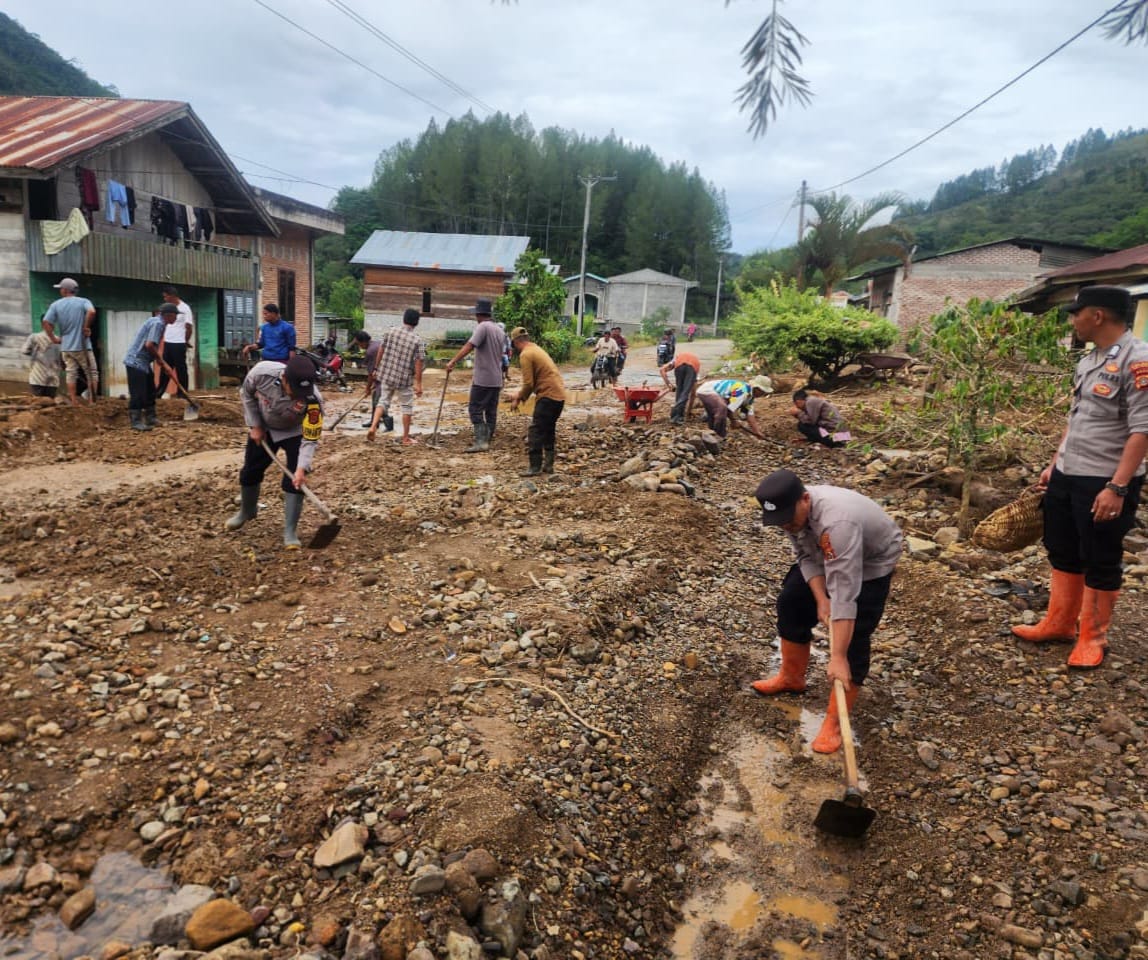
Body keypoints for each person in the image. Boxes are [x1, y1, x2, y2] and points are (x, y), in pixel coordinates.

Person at [1012, 285, 1148, 668]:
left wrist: (1117, 487)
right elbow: (1077, 419)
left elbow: (1142, 430)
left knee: (1100, 556)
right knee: (1062, 548)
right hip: (1069, 473)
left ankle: (1092, 638)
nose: (1073, 320)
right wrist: (1055, 462)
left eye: (1077, 313)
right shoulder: (1090, 360)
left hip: (1103, 479)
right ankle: (1059, 623)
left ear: (1098, 316)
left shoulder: (1138, 360)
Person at [751, 469, 903, 754]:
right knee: (792, 601)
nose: (785, 526)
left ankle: (834, 722)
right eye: (779, 521)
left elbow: (845, 593)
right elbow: (805, 555)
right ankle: (791, 678)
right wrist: (821, 598)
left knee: (855, 633)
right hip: (825, 551)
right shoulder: (791, 517)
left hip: (872, 560)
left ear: (805, 499)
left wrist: (837, 657)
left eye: (788, 519)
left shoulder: (838, 523)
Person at [226, 354, 324, 549]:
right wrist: (255, 425)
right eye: (293, 390)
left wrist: (302, 468)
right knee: (251, 470)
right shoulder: (261, 373)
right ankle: (247, 510)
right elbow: (246, 394)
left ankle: (290, 530)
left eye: (301, 393)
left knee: (294, 480)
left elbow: (311, 437)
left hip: (295, 431)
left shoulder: (314, 401)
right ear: (284, 378)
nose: (296, 396)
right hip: (265, 426)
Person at [445, 298, 505, 452]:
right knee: (491, 410)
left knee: (475, 409)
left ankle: (481, 441)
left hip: (483, 378)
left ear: (479, 314)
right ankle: (488, 437)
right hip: (497, 378)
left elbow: (469, 346)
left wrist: (453, 361)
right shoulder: (499, 329)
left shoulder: (482, 327)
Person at [507, 327, 566, 476]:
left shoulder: (526, 354)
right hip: (559, 395)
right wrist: (519, 396)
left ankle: (535, 467)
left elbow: (528, 384)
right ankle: (548, 465)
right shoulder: (536, 349)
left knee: (535, 430)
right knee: (548, 429)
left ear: (515, 342)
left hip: (548, 396)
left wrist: (518, 398)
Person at [366, 308, 425, 445]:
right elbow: (419, 362)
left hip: (387, 374)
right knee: (407, 407)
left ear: (403, 319)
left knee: (383, 401)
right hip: (403, 379)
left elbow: (381, 349)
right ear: (416, 323)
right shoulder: (417, 340)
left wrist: (376, 368)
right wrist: (419, 383)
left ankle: (373, 426)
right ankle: (405, 438)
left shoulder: (390, 331)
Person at [41, 277, 99, 405]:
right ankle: (92, 402)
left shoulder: (56, 305)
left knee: (71, 373)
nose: (60, 290)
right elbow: (91, 312)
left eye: (61, 288)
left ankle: (74, 401)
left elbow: (46, 322)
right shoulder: (83, 301)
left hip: (66, 347)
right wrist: (86, 326)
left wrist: (53, 338)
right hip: (81, 346)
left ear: (65, 290)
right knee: (91, 373)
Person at [124, 304, 177, 431]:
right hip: (136, 361)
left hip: (144, 363)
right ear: (168, 315)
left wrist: (159, 361)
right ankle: (136, 421)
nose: (176, 318)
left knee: (150, 390)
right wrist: (163, 363)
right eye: (175, 315)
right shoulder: (158, 324)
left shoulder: (156, 321)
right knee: (138, 393)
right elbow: (149, 345)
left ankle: (150, 417)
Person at [696, 375, 773, 440]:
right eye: (762, 392)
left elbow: (750, 416)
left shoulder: (750, 398)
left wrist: (756, 432)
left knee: (714, 413)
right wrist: (733, 421)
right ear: (756, 388)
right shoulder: (743, 391)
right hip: (707, 390)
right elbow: (729, 410)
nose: (762, 394)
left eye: (764, 393)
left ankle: (711, 435)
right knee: (722, 408)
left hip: (717, 394)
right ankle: (719, 436)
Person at [156, 285, 194, 400]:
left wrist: (185, 341)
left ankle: (182, 393)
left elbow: (189, 327)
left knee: (181, 369)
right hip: (168, 342)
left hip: (179, 343)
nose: (165, 299)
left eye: (166, 297)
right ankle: (159, 392)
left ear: (172, 296)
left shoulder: (185, 308)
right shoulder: (168, 308)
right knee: (165, 369)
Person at [659, 349, 701, 425]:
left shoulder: (677, 359)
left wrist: (669, 384)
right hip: (692, 368)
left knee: (679, 391)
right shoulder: (695, 364)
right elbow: (693, 394)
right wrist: (689, 411)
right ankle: (677, 416)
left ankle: (676, 416)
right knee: (685, 392)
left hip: (679, 366)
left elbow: (662, 370)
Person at [22, 322, 61, 398]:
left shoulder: (34, 337)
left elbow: (24, 350)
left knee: (37, 405)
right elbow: (62, 359)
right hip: (52, 380)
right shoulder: (58, 340)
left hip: (37, 378)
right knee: (50, 405)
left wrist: (36, 354)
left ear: (42, 325)